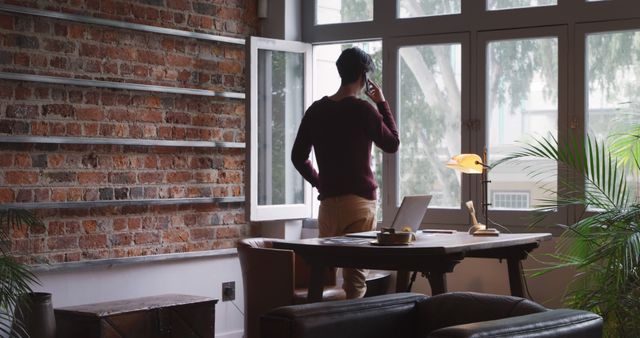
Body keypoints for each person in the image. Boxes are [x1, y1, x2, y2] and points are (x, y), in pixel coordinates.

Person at [291, 47, 399, 299]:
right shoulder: (364, 110)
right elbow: (392, 144)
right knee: (355, 278)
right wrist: (381, 102)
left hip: (328, 206)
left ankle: (316, 326)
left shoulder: (316, 110)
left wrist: (320, 183)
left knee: (320, 272)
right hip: (359, 206)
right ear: (364, 76)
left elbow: (298, 157)